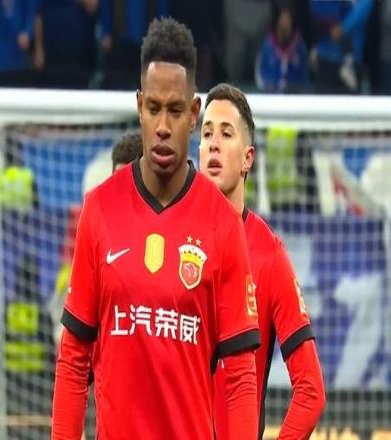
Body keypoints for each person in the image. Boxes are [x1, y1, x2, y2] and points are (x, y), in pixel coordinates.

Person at [52, 18, 260, 440]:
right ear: (139, 105)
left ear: (194, 113)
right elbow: (73, 359)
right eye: (153, 108)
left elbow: (240, 376)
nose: (163, 126)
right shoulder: (100, 209)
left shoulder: (222, 223)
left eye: (175, 110)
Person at [198, 83, 325, 439]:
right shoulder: (169, 238)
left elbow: (311, 390)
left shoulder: (268, 254)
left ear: (248, 158)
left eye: (226, 134)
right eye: (206, 133)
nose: (214, 143)